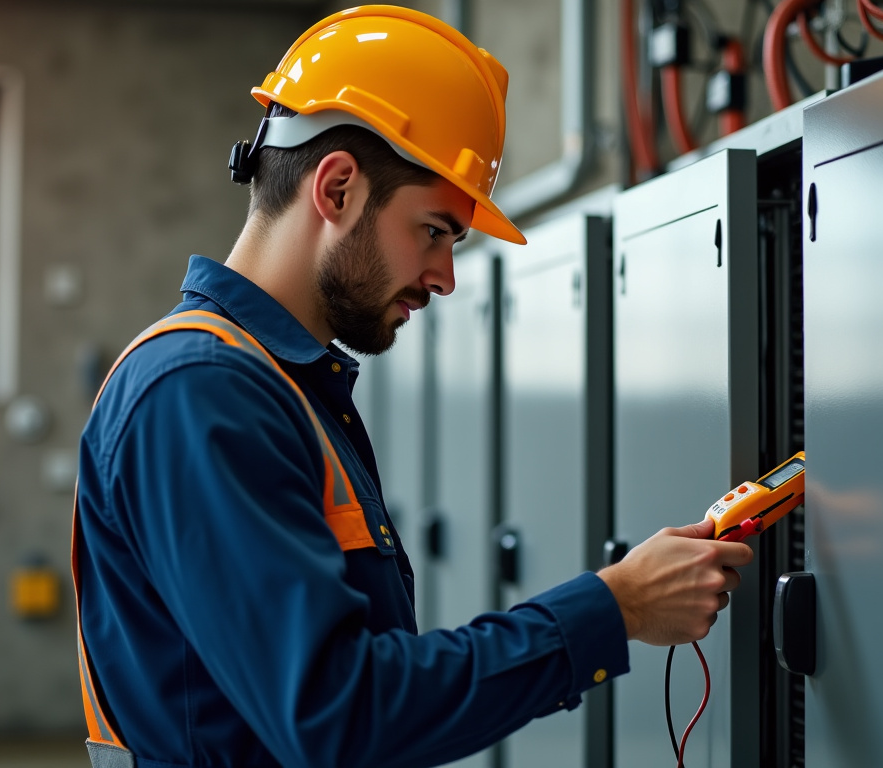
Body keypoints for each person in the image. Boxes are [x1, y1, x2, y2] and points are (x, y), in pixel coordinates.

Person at [71, 6, 753, 768]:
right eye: (434, 231)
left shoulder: (276, 387)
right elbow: (341, 717)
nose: (446, 278)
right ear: (336, 190)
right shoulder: (200, 395)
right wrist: (614, 608)